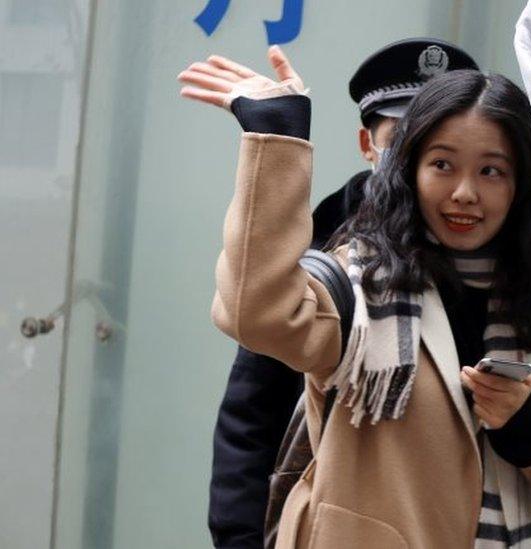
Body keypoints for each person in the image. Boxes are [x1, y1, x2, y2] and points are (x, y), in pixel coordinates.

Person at [181, 46, 531, 547]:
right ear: (407, 169)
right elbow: (256, 317)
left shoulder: (527, 303)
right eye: (443, 165)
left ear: (519, 185)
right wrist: (278, 135)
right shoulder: (355, 282)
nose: (465, 193)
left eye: (491, 170)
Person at [177, 39, 479, 548]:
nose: (422, 157)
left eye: (440, 140)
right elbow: (253, 409)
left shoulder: (516, 257)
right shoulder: (328, 245)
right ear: (368, 143)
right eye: (403, 135)